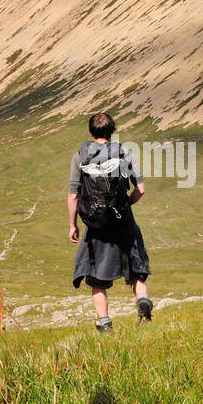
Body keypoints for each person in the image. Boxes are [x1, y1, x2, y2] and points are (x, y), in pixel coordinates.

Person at [68, 112, 153, 332]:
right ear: (112, 130)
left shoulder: (80, 157)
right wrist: (125, 207)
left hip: (96, 226)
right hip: (123, 221)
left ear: (91, 132)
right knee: (136, 268)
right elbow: (141, 189)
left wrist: (73, 224)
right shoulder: (126, 154)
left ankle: (105, 324)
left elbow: (73, 196)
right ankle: (142, 301)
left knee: (96, 277)